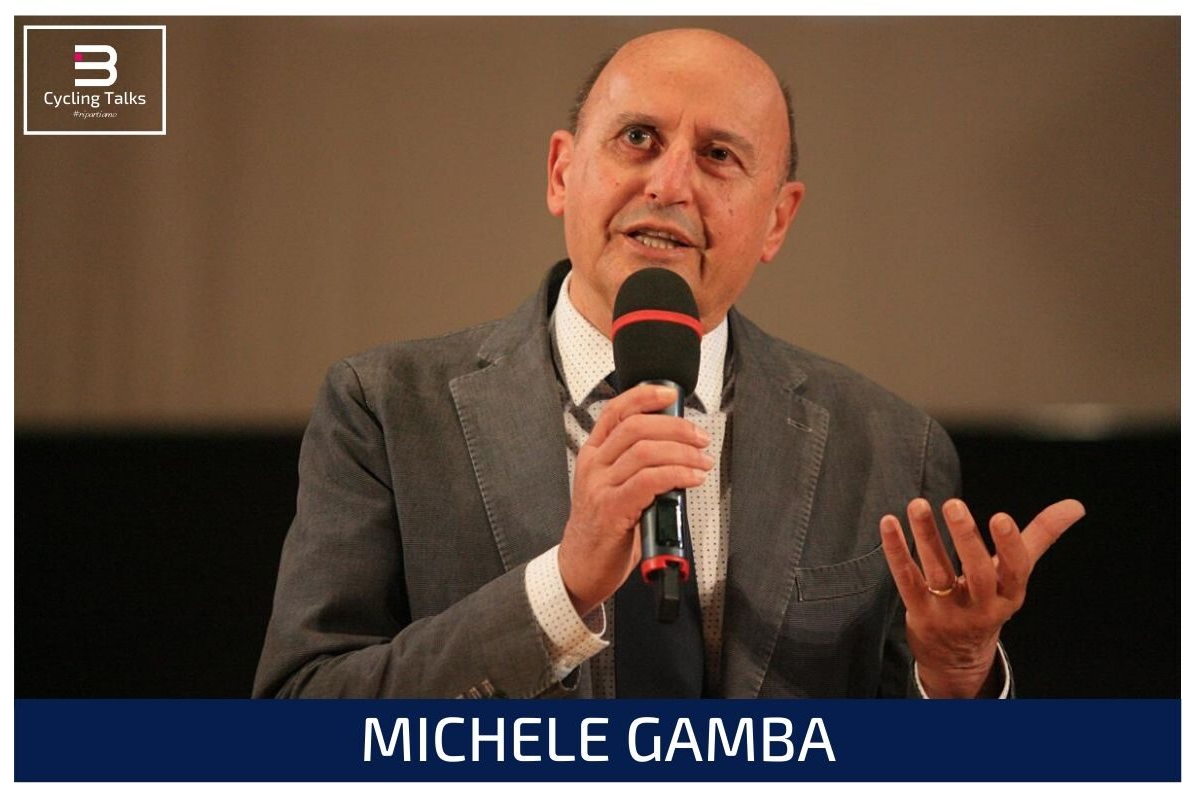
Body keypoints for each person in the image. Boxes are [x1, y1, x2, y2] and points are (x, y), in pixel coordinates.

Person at [253, 28, 1084, 700]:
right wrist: (560, 590)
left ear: (777, 220)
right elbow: (301, 716)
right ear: (561, 172)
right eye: (638, 139)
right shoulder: (386, 410)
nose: (671, 184)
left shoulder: (890, 446)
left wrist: (956, 678)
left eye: (720, 155)